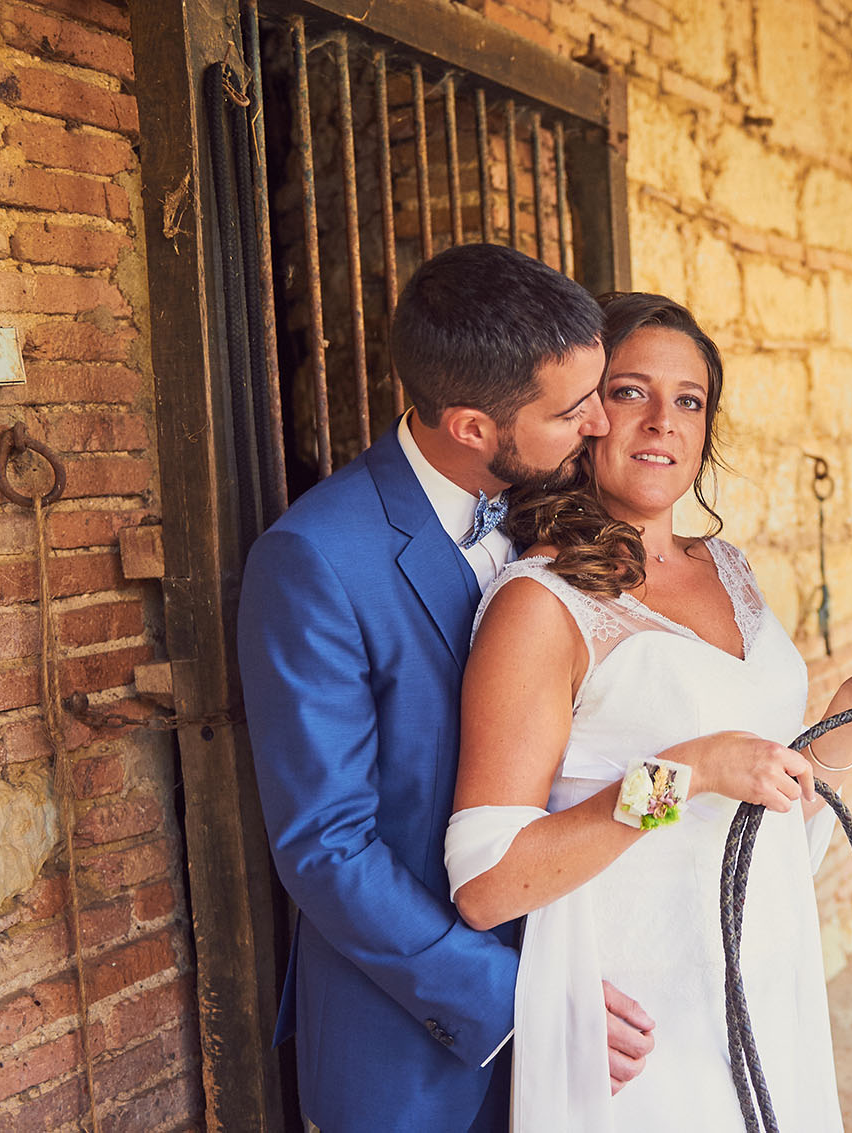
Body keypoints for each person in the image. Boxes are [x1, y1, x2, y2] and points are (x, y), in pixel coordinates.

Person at [445, 292, 852, 1132]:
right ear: (587, 415)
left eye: (689, 400)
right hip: (643, 1031)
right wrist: (681, 774)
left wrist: (843, 718)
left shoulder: (731, 568)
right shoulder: (541, 602)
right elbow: (489, 881)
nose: (662, 423)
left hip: (767, 989)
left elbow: (764, 814)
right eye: (631, 392)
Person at [238, 245, 660, 1131]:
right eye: (571, 408)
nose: (599, 423)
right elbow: (327, 845)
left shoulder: (563, 508)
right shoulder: (315, 560)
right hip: (419, 1045)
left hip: (604, 999)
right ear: (472, 426)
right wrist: (521, 999)